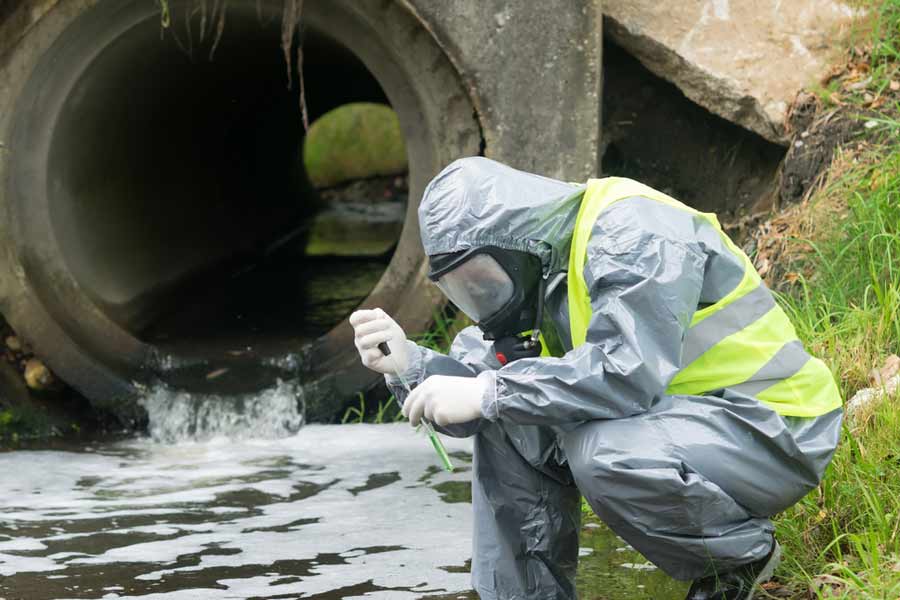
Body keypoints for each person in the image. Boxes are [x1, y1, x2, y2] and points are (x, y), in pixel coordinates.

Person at [349, 157, 842, 600]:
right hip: (686, 431)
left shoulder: (633, 230)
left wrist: (488, 392)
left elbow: (627, 375)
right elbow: (476, 408)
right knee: (505, 412)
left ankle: (735, 564)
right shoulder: (538, 276)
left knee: (595, 446)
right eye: (460, 290)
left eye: (480, 279)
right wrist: (410, 364)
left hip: (772, 426)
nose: (478, 299)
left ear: (512, 242)